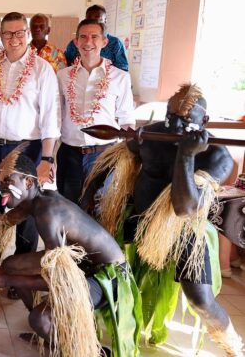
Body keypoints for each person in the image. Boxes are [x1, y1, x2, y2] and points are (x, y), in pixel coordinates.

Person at [82, 84, 244, 355]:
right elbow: (114, 159)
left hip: (187, 232)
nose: (175, 130)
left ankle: (233, 347)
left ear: (203, 122)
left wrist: (186, 154)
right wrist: (88, 196)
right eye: (171, 120)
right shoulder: (153, 134)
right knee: (103, 271)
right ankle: (76, 328)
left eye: (185, 124)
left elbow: (185, 209)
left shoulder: (217, 156)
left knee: (200, 299)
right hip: (140, 221)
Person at [0, 144, 141, 357]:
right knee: (11, 265)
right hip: (83, 266)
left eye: (8, 182)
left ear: (28, 181)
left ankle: (90, 351)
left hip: (109, 279)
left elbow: (60, 278)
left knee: (39, 318)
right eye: (0, 182)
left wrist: (7, 280)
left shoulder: (48, 212)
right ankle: (50, 334)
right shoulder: (34, 200)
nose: (2, 188)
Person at [0, 11, 60, 255]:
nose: (14, 38)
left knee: (26, 208)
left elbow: (49, 118)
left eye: (19, 33)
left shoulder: (42, 70)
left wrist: (47, 159)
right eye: (8, 33)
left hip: (27, 149)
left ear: (27, 33)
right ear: (0, 36)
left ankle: (21, 268)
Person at [56, 19, 135, 204]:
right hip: (70, 154)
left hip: (104, 154)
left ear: (104, 42)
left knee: (100, 210)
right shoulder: (63, 76)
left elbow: (126, 120)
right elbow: (56, 116)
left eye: (94, 37)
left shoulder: (120, 77)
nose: (88, 42)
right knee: (69, 210)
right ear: (76, 42)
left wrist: (129, 158)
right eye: (82, 37)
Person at [65, 5, 129, 72]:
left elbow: (122, 68)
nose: (94, 23)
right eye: (90, 20)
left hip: (107, 80)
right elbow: (66, 65)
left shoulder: (115, 43)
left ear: (105, 20)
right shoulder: (75, 43)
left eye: (98, 20)